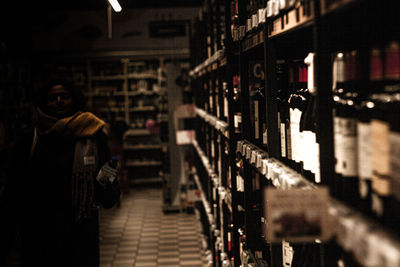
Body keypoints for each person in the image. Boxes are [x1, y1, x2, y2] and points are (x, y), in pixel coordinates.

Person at [0, 82, 120, 266]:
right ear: (44, 103)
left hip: (80, 230)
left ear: (74, 100)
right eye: (52, 98)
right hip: (39, 230)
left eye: (64, 96)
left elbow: (107, 167)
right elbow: (15, 187)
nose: (59, 101)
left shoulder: (92, 135)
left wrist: (108, 190)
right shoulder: (30, 139)